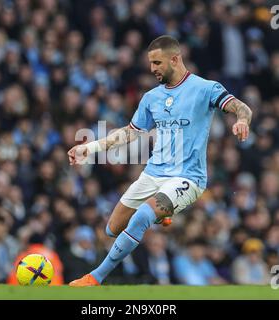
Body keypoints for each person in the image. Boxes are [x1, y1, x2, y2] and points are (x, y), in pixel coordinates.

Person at [67, 35, 252, 286]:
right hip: (153, 173)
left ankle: (94, 278)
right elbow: (130, 132)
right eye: (150, 63)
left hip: (188, 177)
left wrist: (242, 120)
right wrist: (90, 147)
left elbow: (242, 107)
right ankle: (161, 213)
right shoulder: (151, 98)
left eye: (157, 63)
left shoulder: (205, 88)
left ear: (175, 59)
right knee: (112, 229)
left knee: (142, 216)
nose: (152, 69)